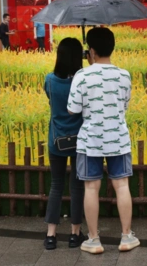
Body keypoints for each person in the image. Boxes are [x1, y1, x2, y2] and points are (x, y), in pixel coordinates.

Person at [67, 27, 139, 255]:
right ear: (112, 47)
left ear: (91, 50)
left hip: (90, 140)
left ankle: (94, 239)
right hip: (118, 137)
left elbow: (73, 109)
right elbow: (124, 106)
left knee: (91, 188)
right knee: (122, 186)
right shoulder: (124, 75)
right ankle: (127, 236)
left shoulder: (82, 75)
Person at [44, 37, 86, 250]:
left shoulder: (49, 80)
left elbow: (51, 101)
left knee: (56, 185)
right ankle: (74, 234)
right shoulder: (82, 80)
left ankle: (51, 235)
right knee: (77, 187)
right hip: (79, 140)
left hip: (56, 140)